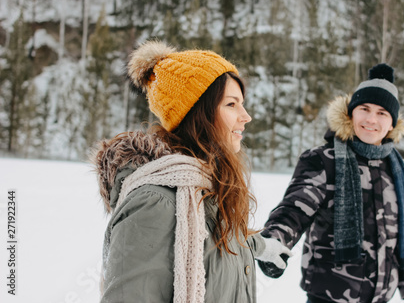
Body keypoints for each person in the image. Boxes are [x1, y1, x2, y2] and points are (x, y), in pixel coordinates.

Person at [91, 40, 292, 303]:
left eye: (242, 104)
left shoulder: (207, 187)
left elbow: (220, 239)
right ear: (199, 113)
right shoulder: (156, 201)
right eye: (231, 104)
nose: (246, 116)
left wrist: (264, 247)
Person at [258, 64, 404, 303]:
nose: (371, 119)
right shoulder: (323, 160)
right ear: (351, 114)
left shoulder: (399, 169)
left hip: (380, 297)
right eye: (364, 109)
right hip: (328, 295)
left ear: (392, 124)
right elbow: (295, 208)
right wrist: (275, 240)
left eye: (382, 113)